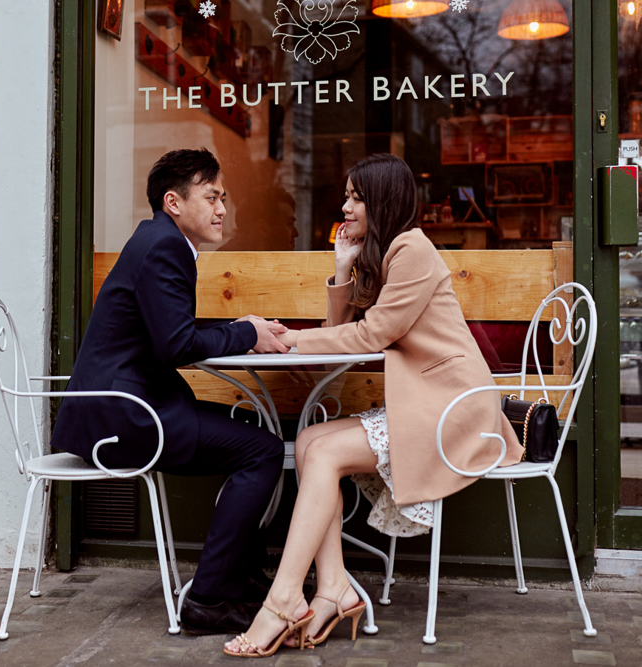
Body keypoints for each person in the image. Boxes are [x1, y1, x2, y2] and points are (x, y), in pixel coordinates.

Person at [223, 153, 525, 658]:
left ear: (382, 200)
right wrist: (342, 268)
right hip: (427, 401)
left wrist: (291, 342)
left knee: (322, 454)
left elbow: (374, 334)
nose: (345, 207)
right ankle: (334, 588)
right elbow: (347, 334)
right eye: (346, 196)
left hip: (454, 409)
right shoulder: (384, 254)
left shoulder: (412, 249)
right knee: (310, 439)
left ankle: (282, 600)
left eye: (355, 198)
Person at [50, 148, 290, 635]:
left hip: (128, 407)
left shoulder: (158, 240)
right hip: (127, 418)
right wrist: (247, 335)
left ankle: (240, 579)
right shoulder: (165, 247)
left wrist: (242, 325)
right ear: (173, 202)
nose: (222, 208)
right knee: (263, 449)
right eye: (211, 197)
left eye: (224, 197)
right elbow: (176, 344)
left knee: (248, 430)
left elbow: (169, 328)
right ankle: (206, 598)